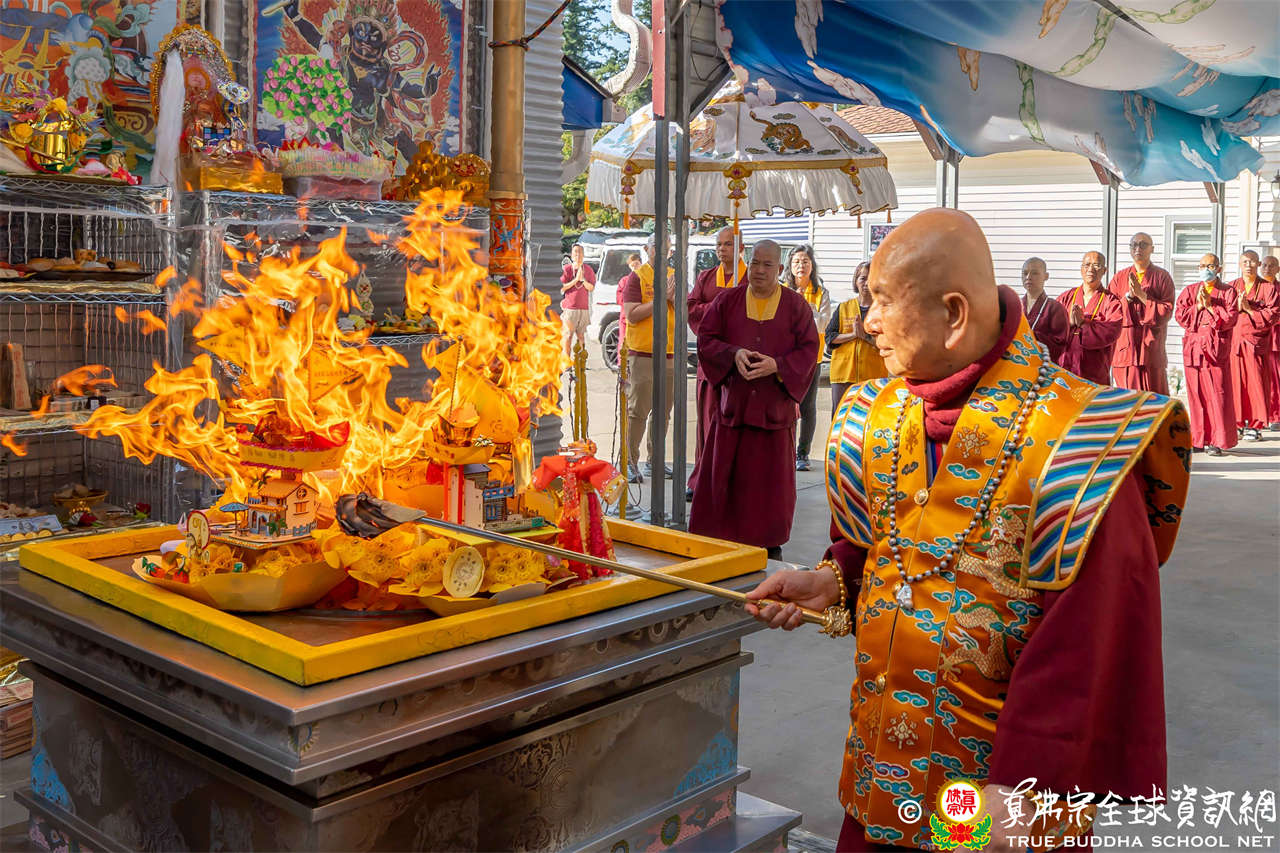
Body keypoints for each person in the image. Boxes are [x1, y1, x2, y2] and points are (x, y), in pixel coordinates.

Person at [744, 209, 1190, 853]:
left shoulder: (1077, 443)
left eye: (883, 302)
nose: (868, 322)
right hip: (881, 774)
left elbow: (1093, 642)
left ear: (954, 314)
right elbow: (887, 543)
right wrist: (835, 581)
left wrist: (1026, 788)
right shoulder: (877, 413)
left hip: (997, 796)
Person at [688, 239, 818, 559]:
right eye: (755, 263)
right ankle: (720, 541)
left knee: (768, 485)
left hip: (773, 413)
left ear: (780, 268)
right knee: (725, 480)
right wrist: (733, 355)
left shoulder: (795, 306)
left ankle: (767, 543)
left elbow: (809, 350)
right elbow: (706, 340)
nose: (759, 270)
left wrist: (778, 366)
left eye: (767, 265)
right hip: (734, 409)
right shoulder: (728, 301)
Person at [687, 226, 747, 502]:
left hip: (740, 364)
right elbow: (692, 308)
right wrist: (719, 307)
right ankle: (701, 478)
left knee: (736, 425)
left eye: (728, 244)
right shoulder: (706, 277)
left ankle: (732, 482)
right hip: (710, 362)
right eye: (719, 245)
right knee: (707, 423)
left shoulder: (750, 278)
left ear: (741, 248)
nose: (722, 249)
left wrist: (716, 307)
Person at [619, 236, 675, 484]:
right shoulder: (638, 277)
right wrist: (662, 299)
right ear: (647, 249)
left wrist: (675, 297)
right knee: (638, 411)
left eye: (667, 247)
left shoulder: (674, 275)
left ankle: (655, 460)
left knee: (663, 412)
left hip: (669, 352)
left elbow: (685, 309)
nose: (663, 251)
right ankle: (630, 461)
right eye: (657, 247)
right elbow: (631, 314)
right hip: (642, 353)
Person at [1176, 254, 1238, 457]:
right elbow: (1180, 316)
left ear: (1219, 268)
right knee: (1196, 396)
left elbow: (1231, 319)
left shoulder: (1229, 292)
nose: (1206, 269)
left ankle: (1216, 441)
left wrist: (1211, 306)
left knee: (1217, 395)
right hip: (1194, 349)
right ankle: (1198, 439)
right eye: (1203, 266)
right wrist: (1198, 306)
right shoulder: (1190, 291)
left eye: (1210, 266)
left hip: (1215, 351)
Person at [1108, 232, 1175, 394]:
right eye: (1134, 245)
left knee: (1154, 399)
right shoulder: (1119, 278)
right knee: (1127, 400)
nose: (1138, 248)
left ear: (1152, 249)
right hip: (1126, 351)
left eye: (1143, 244)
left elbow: (1166, 312)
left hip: (1151, 349)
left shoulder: (1162, 277)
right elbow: (1110, 312)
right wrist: (1129, 297)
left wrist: (1142, 296)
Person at [784, 245, 831, 471]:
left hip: (813, 358)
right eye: (796, 262)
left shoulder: (821, 292)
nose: (801, 266)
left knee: (808, 406)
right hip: (785, 357)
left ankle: (802, 453)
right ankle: (784, 450)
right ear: (789, 266)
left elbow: (823, 323)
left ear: (812, 265)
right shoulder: (782, 290)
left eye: (805, 261)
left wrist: (806, 309)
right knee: (785, 404)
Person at [1228, 250, 1279, 442]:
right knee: (1235, 384)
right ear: (1240, 264)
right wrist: (1236, 308)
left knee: (1256, 384)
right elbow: (1224, 312)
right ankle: (1238, 423)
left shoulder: (1268, 288)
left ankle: (1256, 426)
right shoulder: (1231, 286)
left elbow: (1273, 315)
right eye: (1245, 262)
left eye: (1252, 262)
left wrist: (1249, 310)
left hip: (1256, 343)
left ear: (1258, 264)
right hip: (1234, 342)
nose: (1248, 265)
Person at [826, 261, 886, 412]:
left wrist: (865, 337)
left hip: (873, 377)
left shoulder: (882, 310)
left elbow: (888, 342)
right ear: (856, 281)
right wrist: (853, 335)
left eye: (871, 279)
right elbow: (830, 337)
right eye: (862, 278)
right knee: (841, 416)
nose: (866, 283)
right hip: (843, 375)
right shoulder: (844, 308)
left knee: (868, 417)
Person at [1057, 251, 1124, 384]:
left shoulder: (1111, 302)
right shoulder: (1066, 297)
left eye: (1096, 265)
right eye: (1087, 265)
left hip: (1094, 373)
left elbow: (1112, 331)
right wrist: (1068, 322)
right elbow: (1051, 327)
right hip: (1064, 370)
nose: (1091, 269)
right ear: (1081, 269)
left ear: (1104, 270)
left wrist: (1084, 324)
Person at [1019, 257, 1070, 362]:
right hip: (1017, 364)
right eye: (1025, 273)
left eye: (1034, 273)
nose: (1028, 277)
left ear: (1046, 276)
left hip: (1043, 366)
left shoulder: (1056, 308)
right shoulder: (1015, 307)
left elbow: (1059, 344)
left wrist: (1028, 335)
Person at [560, 244, 596, 359]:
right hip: (570, 308)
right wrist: (575, 280)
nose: (578, 254)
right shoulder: (567, 269)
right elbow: (562, 287)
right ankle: (566, 362)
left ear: (583, 255)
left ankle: (581, 361)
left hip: (583, 309)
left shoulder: (588, 269)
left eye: (580, 252)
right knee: (568, 336)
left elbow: (591, 287)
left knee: (581, 336)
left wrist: (583, 280)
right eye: (575, 252)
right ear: (571, 255)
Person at [1261, 255, 1280, 429]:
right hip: (1256, 339)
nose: (1267, 268)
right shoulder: (1255, 288)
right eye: (1265, 265)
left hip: (1275, 339)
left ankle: (1275, 416)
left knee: (1275, 379)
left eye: (1272, 265)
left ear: (1278, 269)